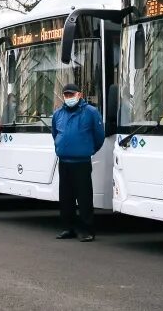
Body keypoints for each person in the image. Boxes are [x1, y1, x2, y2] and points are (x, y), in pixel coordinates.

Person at [51, 84, 105, 242]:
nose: (68, 98)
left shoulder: (90, 112)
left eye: (71, 95)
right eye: (66, 95)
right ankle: (68, 228)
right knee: (66, 197)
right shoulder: (58, 114)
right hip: (64, 161)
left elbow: (99, 136)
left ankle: (88, 230)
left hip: (81, 161)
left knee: (84, 197)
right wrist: (61, 147)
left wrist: (89, 150)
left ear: (79, 95)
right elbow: (55, 133)